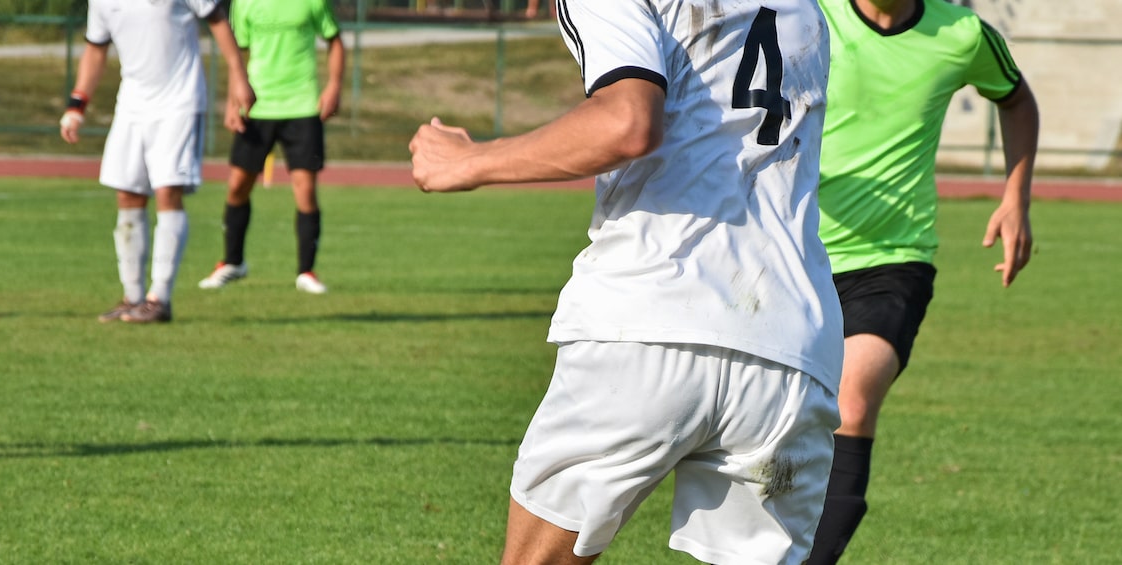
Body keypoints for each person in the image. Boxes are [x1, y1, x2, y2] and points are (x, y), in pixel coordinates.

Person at [409, 1, 844, 562]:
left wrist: (470, 161)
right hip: (790, 344)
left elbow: (627, 121)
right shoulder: (804, 7)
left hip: (649, 316)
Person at [805, 0, 1038, 562]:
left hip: (893, 260)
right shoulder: (809, 15)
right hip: (795, 255)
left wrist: (1016, 198)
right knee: (772, 420)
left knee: (852, 404)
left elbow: (1015, 98)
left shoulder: (961, 34)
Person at [60, 0, 255, 323]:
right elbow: (96, 48)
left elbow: (218, 19)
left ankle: (159, 299)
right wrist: (77, 104)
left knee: (168, 191)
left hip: (179, 102)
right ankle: (132, 296)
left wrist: (238, 77)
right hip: (132, 104)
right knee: (127, 195)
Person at [197, 0, 344, 295]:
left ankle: (306, 271)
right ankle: (233, 262)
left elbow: (335, 41)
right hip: (257, 104)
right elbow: (237, 55)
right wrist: (232, 101)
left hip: (302, 104)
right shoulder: (245, 3)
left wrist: (334, 85)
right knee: (238, 185)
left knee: (305, 188)